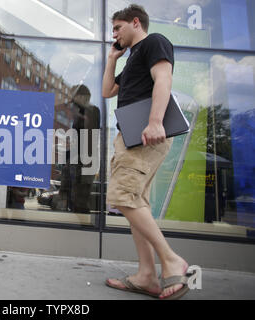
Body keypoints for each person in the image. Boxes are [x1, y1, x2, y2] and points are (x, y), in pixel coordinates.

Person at [102, 4, 190, 300]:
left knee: (121, 196)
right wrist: (112, 58)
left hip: (144, 136)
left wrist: (154, 122)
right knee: (135, 201)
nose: (114, 34)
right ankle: (146, 276)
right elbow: (106, 91)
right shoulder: (130, 60)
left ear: (135, 22)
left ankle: (170, 260)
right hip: (130, 135)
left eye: (118, 28)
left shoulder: (155, 42)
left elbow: (164, 79)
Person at [54, 84, 100, 213]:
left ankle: (81, 226)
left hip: (84, 162)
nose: (71, 100)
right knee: (65, 193)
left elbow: (89, 137)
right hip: (75, 160)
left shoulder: (92, 110)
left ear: (82, 97)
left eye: (73, 96)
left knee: (80, 201)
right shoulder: (78, 112)